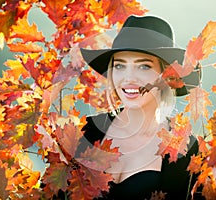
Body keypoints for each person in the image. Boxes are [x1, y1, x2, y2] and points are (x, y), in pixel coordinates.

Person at [78, 15, 203, 199]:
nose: (129, 78)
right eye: (120, 66)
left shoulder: (185, 148)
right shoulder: (85, 131)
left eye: (143, 67)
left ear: (166, 75)